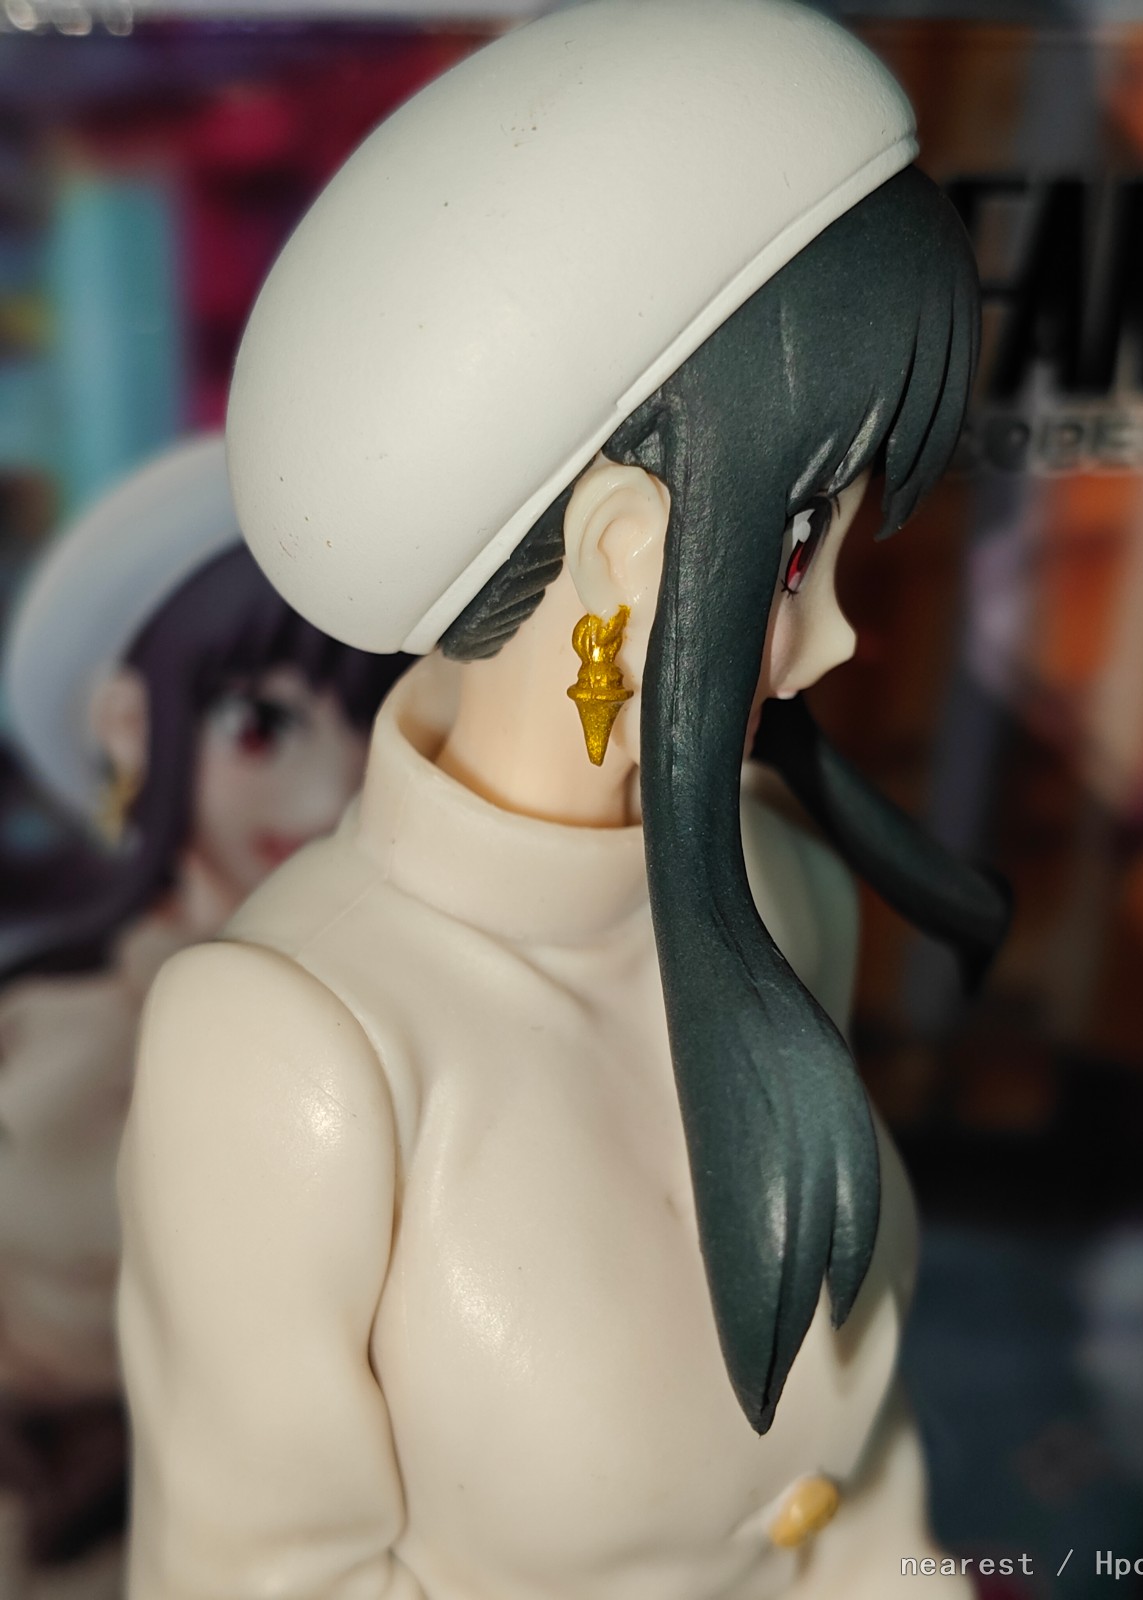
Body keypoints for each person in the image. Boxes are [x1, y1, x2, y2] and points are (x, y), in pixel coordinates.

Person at [118, 6, 1008, 1596]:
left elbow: (853, 1488)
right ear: (623, 554)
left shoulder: (783, 886)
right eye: (796, 559)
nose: (836, 642)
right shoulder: (294, 1053)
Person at [0, 434, 406, 1596]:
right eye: (261, 728)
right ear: (134, 730)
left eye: (376, 723)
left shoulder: (386, 991)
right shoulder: (78, 1031)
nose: (329, 787)